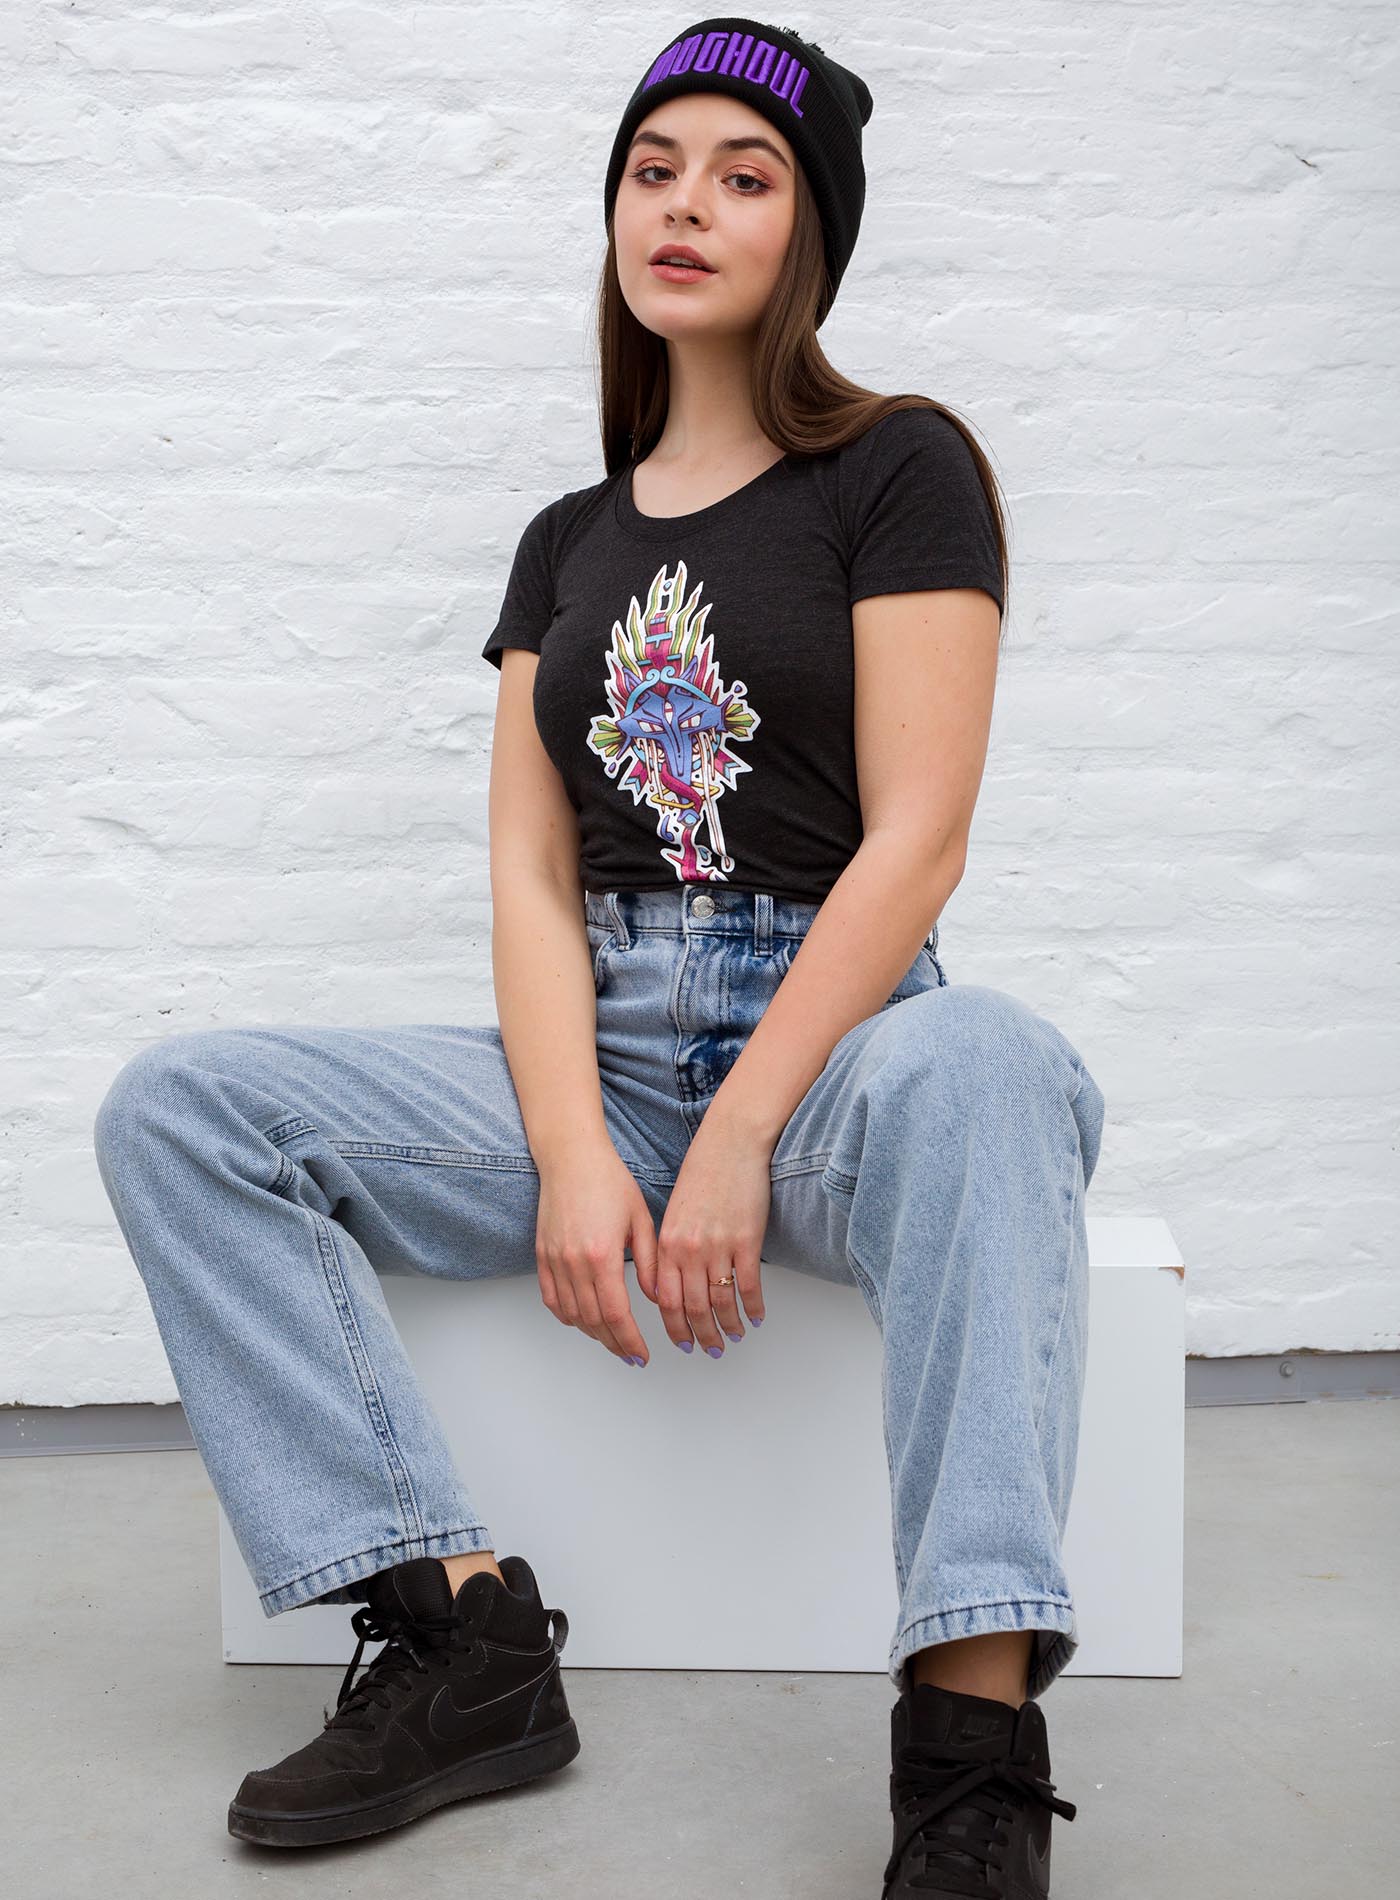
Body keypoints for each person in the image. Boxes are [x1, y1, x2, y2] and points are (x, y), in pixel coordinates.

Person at [92, 17, 1105, 1894]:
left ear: (812, 231)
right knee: (183, 1107)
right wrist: (579, 1145)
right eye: (654, 169)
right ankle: (461, 1631)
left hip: (837, 1049)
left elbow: (920, 839)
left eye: (744, 173)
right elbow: (529, 869)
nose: (687, 205)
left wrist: (737, 1139)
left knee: (999, 1063)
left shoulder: (902, 471)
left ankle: (971, 1745)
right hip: (604, 1045)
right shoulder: (565, 540)